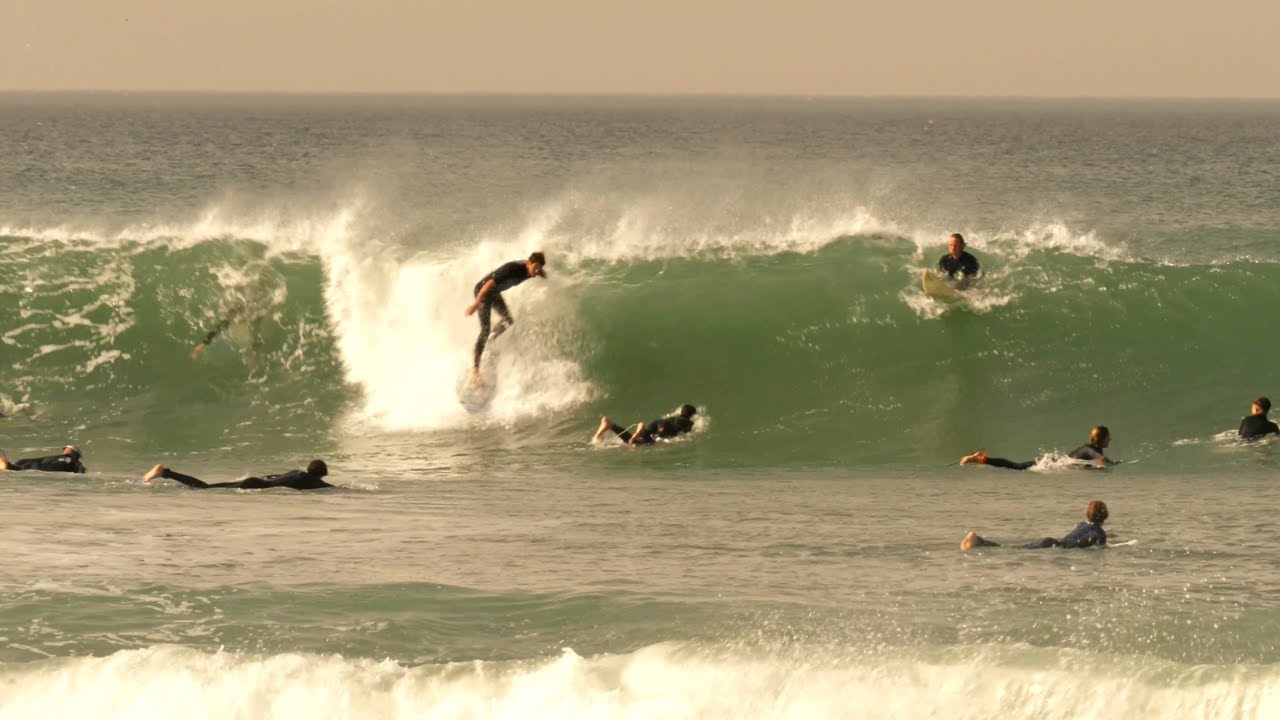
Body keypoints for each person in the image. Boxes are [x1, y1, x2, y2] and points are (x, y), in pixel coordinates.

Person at [465, 252, 547, 379]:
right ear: (529, 262)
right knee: (485, 329)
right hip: (483, 292)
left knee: (508, 320)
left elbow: (539, 270)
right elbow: (488, 284)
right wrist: (476, 304)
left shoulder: (531, 270)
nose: (536, 272)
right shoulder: (512, 269)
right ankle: (475, 369)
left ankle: (490, 340)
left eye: (539, 269)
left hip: (494, 293)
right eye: (535, 268)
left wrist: (545, 274)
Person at [961, 500, 1110, 550]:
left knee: (1013, 549)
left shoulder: (1083, 523)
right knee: (1012, 551)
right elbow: (1100, 547)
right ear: (1105, 515)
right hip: (1055, 547)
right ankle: (977, 541)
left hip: (1051, 542)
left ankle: (979, 541)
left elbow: (1086, 532)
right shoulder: (1100, 533)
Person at [959, 425, 1118, 470]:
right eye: (1108, 436)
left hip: (1054, 462)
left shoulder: (1093, 449)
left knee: (1017, 466)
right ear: (1102, 438)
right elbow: (1101, 460)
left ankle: (982, 459)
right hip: (1050, 463)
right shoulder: (1089, 449)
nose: (1110, 439)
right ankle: (981, 459)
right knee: (1017, 466)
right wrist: (1113, 464)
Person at [142, 459, 334, 490]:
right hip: (253, 486)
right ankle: (165, 473)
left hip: (255, 481)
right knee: (203, 488)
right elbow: (328, 489)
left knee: (207, 487)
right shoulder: (312, 482)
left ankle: (166, 473)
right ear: (321, 475)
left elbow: (273, 476)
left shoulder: (297, 472)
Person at [593, 404, 699, 446]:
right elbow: (685, 433)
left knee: (643, 437)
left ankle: (611, 425)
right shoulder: (689, 422)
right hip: (667, 429)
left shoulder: (673, 417)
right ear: (691, 415)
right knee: (642, 444)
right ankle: (639, 430)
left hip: (659, 422)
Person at [0, 445, 86, 473]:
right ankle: (7, 465)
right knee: (22, 466)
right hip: (41, 467)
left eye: (67, 448)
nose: (65, 449)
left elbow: (80, 468)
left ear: (75, 453)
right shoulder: (56, 457)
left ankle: (7, 465)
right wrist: (22, 461)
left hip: (41, 467)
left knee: (21, 468)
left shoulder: (73, 460)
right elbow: (38, 459)